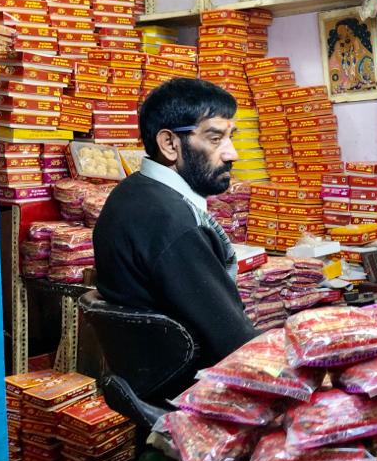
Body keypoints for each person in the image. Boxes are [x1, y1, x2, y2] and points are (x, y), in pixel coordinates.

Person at [94, 78, 257, 365]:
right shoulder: (171, 223)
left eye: (231, 138)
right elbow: (236, 347)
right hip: (191, 390)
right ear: (169, 143)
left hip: (156, 378)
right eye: (215, 138)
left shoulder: (132, 191)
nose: (233, 154)